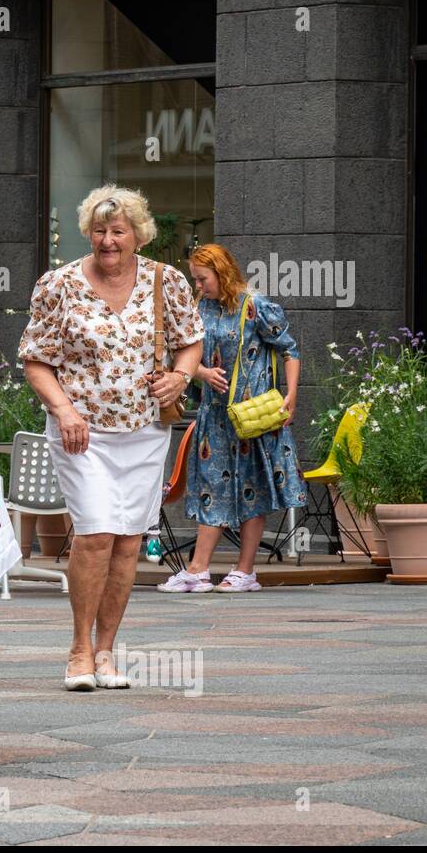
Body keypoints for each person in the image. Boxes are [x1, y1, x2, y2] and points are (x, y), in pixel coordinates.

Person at [19, 184, 204, 692]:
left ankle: (106, 652)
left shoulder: (167, 282)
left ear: (138, 235)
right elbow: (35, 359)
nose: (107, 241)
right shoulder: (59, 284)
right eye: (99, 231)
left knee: (127, 542)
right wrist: (63, 410)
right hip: (82, 432)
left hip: (144, 430)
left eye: (118, 231)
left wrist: (180, 378)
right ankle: (79, 650)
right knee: (97, 532)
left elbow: (190, 344)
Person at [157, 243, 306, 593]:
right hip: (215, 415)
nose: (198, 285)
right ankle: (198, 569)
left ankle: (244, 571)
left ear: (221, 273)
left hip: (252, 416)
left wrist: (292, 395)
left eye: (202, 278)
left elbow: (290, 350)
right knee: (212, 487)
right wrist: (202, 373)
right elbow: (181, 355)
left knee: (253, 488)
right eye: (194, 279)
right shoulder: (199, 308)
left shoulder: (255, 306)